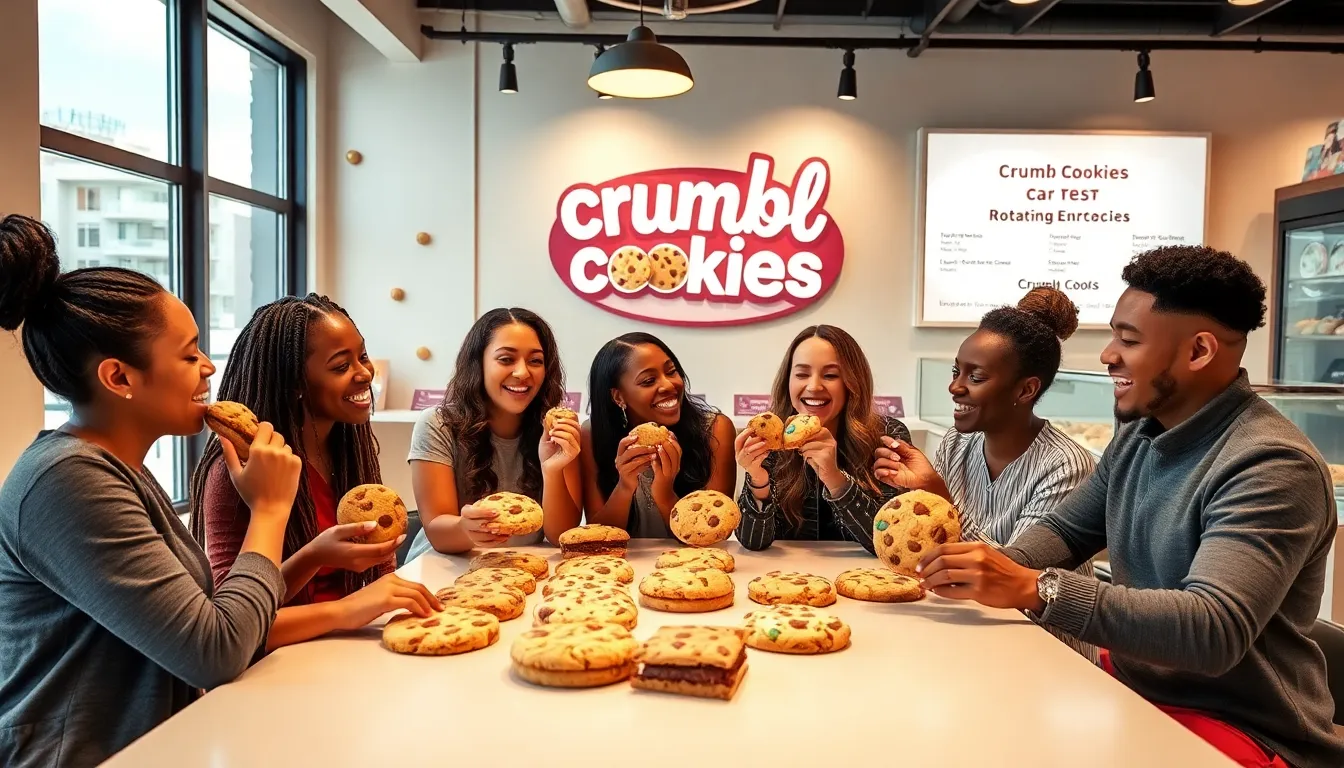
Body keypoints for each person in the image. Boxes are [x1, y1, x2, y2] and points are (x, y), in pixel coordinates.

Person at [917, 246, 1344, 768]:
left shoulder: (1272, 465)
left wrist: (1033, 587)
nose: (1107, 355)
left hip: (1242, 729)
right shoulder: (1139, 434)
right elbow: (1066, 531)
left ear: (1199, 350)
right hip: (1134, 689)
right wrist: (986, 569)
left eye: (1129, 339)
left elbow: (1213, 629)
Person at [0, 214, 302, 766]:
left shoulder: (118, 466)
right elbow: (214, 651)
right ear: (119, 377)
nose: (208, 368)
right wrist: (269, 509)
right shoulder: (67, 480)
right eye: (189, 354)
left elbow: (212, 619)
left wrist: (309, 554)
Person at [189, 296, 440, 651]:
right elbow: (232, 626)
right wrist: (320, 566)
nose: (365, 374)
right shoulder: (242, 471)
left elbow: (379, 577)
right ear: (295, 383)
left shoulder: (351, 450)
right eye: (341, 366)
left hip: (348, 650)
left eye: (363, 356)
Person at [872, 288, 1098, 660]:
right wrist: (912, 498)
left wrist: (939, 497)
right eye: (956, 371)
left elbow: (1010, 576)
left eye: (975, 377)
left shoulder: (1065, 466)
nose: (955, 387)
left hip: (1047, 652)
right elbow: (935, 552)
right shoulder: (956, 443)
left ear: (1026, 389)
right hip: (974, 635)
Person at [406, 308, 581, 556]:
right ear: (478, 363)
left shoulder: (557, 429)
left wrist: (552, 470)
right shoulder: (438, 424)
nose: (522, 373)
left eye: (535, 361)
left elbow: (560, 536)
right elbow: (437, 532)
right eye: (506, 359)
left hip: (524, 566)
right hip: (446, 563)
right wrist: (467, 528)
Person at [734, 325, 910, 551]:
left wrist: (835, 479)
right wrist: (758, 479)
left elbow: (892, 542)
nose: (814, 386)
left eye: (830, 375)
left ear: (852, 382)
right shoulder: (773, 439)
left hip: (863, 571)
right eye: (802, 374)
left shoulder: (886, 435)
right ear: (788, 380)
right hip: (790, 571)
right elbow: (753, 542)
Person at [581, 333, 736, 537]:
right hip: (624, 557)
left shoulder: (715, 429)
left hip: (693, 557)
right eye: (648, 381)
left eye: (671, 372)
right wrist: (625, 486)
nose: (669, 385)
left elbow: (713, 534)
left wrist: (664, 493)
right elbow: (600, 536)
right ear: (618, 396)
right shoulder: (592, 435)